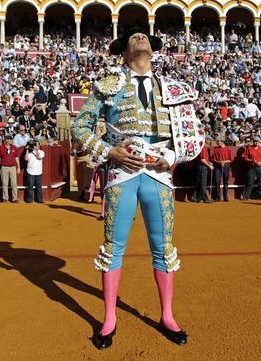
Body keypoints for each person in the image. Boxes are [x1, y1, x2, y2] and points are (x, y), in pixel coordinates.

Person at [71, 27, 204, 349]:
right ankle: (109, 318)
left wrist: (172, 155)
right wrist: (109, 151)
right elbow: (80, 126)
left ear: (153, 49)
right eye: (133, 38)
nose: (140, 38)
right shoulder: (108, 87)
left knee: (164, 246)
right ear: (124, 52)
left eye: (144, 36)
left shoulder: (174, 89)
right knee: (113, 246)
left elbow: (194, 133)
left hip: (159, 175)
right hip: (121, 172)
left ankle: (167, 315)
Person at [0, 134, 21, 203]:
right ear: (6, 140)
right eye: (10, 139)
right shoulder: (1, 148)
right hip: (4, 167)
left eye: (11, 139)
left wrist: (18, 167)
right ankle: (5, 198)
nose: (11, 140)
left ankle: (15, 198)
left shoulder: (14, 147)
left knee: (14, 183)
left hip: (13, 167)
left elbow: (16, 158)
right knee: (4, 184)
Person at [189, 137, 213, 203]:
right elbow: (202, 160)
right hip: (202, 167)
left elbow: (204, 159)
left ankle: (195, 197)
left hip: (200, 167)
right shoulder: (204, 148)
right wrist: (209, 166)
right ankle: (205, 198)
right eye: (209, 140)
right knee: (203, 182)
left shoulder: (202, 147)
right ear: (206, 140)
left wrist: (209, 162)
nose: (210, 141)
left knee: (199, 182)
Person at [211, 136, 233, 202]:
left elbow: (230, 159)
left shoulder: (228, 149)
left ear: (222, 141)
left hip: (226, 166)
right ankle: (218, 197)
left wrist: (224, 162)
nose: (217, 142)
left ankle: (225, 196)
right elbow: (214, 159)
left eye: (218, 141)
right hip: (218, 166)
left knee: (225, 181)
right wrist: (219, 162)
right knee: (217, 181)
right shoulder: (215, 149)